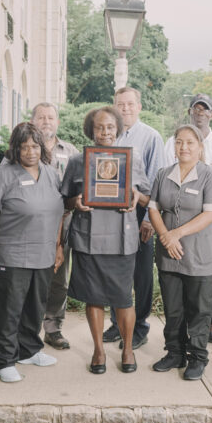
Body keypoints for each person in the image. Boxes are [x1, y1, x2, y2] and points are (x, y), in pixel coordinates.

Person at [62, 106, 150, 374]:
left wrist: (135, 195)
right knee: (94, 298)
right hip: (89, 239)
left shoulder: (131, 160)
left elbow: (147, 197)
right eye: (99, 127)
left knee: (124, 298)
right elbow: (65, 198)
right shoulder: (78, 161)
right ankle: (98, 349)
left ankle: (127, 348)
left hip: (122, 240)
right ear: (91, 130)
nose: (105, 132)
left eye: (110, 127)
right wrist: (76, 202)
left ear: (118, 129)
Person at [0, 123, 66, 382]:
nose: (30, 151)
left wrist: (57, 245)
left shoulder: (51, 173)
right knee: (9, 309)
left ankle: (30, 349)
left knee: (35, 306)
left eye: (35, 146)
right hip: (12, 254)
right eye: (24, 146)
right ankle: (5, 360)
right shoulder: (2, 174)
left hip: (44, 253)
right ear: (15, 149)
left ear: (42, 147)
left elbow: (59, 211)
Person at [148, 125, 212, 381]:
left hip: (200, 255)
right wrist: (165, 238)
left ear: (200, 147)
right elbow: (154, 209)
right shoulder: (163, 174)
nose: (184, 147)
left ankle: (198, 357)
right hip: (169, 255)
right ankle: (174, 352)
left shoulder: (210, 175)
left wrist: (175, 234)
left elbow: (211, 213)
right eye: (179, 142)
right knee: (173, 308)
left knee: (199, 310)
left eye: (190, 143)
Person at [162, 94, 212, 344]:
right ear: (190, 112)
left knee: (208, 277)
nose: (200, 113)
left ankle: (209, 324)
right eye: (196, 108)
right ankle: (181, 326)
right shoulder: (171, 143)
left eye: (205, 109)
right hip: (177, 221)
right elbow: (163, 180)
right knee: (179, 276)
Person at [104, 87, 164, 350]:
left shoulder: (151, 137)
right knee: (114, 269)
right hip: (109, 212)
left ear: (139, 106)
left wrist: (149, 218)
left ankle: (139, 326)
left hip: (140, 212)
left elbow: (156, 182)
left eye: (130, 104)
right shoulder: (107, 134)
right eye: (120, 104)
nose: (125, 108)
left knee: (141, 273)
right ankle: (117, 323)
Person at [29, 102, 79, 350]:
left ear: (57, 122)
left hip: (64, 222)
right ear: (32, 122)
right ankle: (29, 326)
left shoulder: (70, 152)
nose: (46, 121)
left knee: (59, 278)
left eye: (50, 117)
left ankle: (53, 327)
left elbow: (79, 186)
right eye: (41, 117)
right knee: (31, 276)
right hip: (31, 225)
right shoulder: (24, 150)